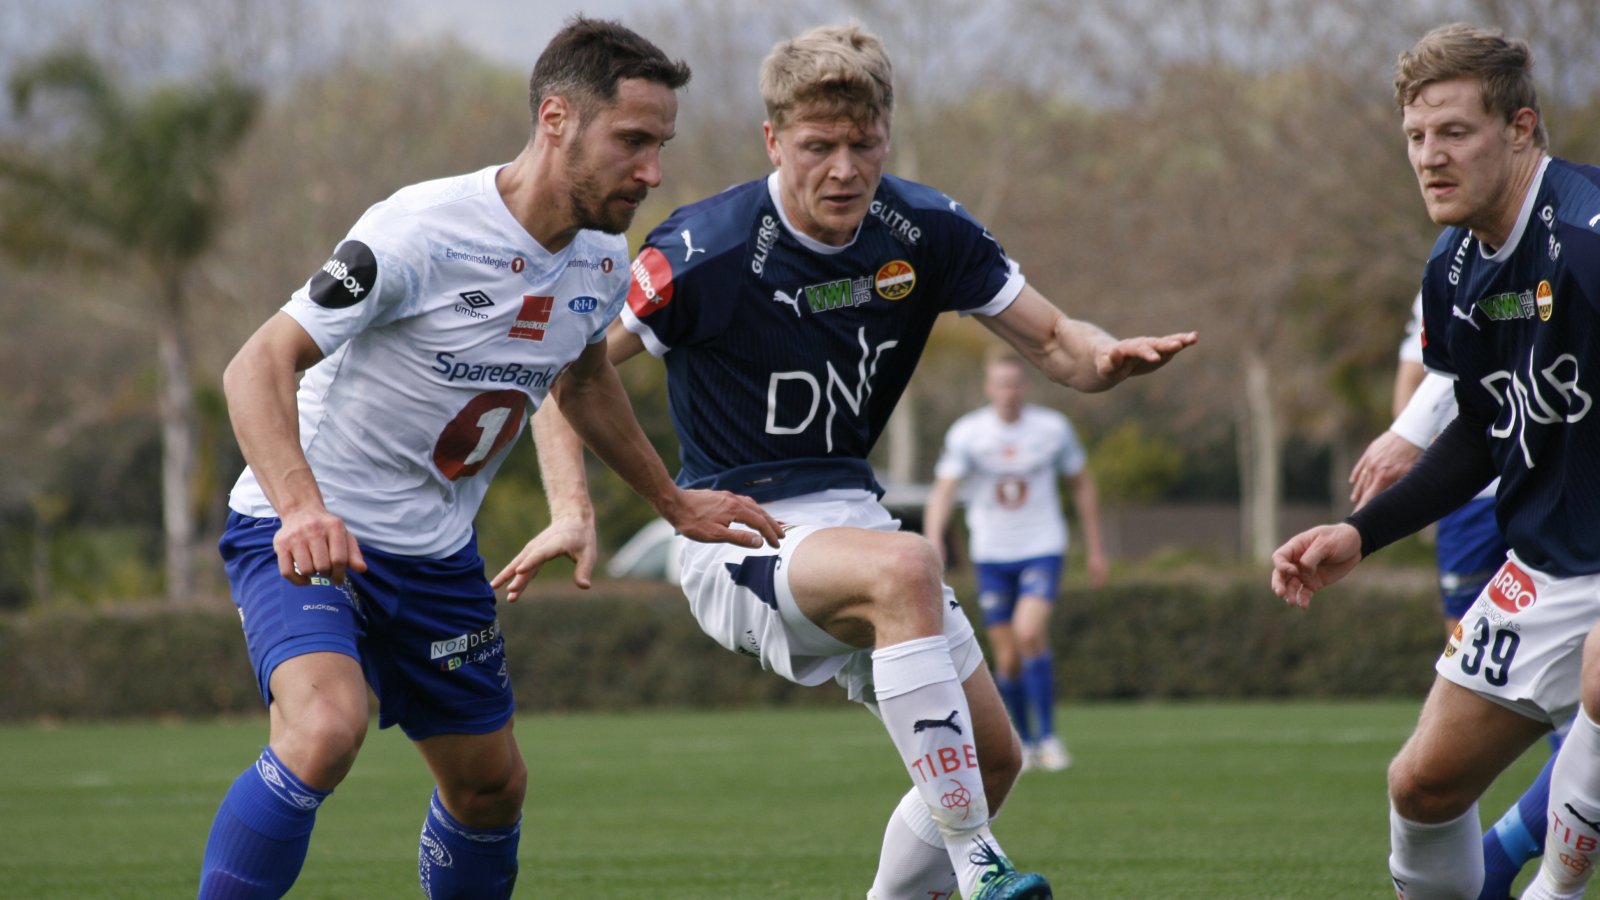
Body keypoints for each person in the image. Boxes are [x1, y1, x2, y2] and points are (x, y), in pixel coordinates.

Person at [555, 23, 1194, 900]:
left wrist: (1104, 356)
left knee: (995, 758)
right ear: (773, 139)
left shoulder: (925, 229)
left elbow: (1056, 342)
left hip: (852, 520)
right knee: (908, 564)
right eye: (819, 147)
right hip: (735, 531)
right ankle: (981, 863)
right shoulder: (705, 249)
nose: (845, 170)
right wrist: (588, 506)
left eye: (865, 145)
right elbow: (567, 373)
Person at [198, 18, 781, 899]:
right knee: (324, 731)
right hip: (312, 535)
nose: (652, 172)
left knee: (490, 787)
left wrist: (673, 502)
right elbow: (257, 364)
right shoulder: (419, 230)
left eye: (660, 146)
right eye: (632, 141)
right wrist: (302, 508)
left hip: (435, 559)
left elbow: (584, 381)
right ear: (556, 120)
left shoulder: (600, 258)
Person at [1271, 22, 1600, 900]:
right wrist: (1361, 532)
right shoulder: (1454, 269)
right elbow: (1485, 429)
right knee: (1422, 787)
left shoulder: (1587, 232)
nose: (1429, 156)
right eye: (1417, 136)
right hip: (1548, 563)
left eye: (1454, 131)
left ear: (1521, 130)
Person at [1350, 293, 1553, 900]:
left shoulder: (1575, 252)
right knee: (1427, 775)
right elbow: (1439, 374)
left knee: (1586, 704)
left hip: (1559, 498)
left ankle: (1516, 860)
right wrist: (1407, 446)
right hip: (1474, 498)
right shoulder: (1454, 267)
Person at [923, 349, 1108, 773]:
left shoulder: (1052, 429)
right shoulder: (968, 433)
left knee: (1029, 634)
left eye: (1015, 383)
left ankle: (1049, 737)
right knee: (1006, 659)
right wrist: (934, 540)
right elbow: (944, 489)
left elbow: (1082, 484)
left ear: (1025, 385)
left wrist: (1096, 548)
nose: (1008, 391)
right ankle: (1022, 742)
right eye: (1001, 384)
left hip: (1042, 546)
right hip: (991, 554)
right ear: (989, 388)